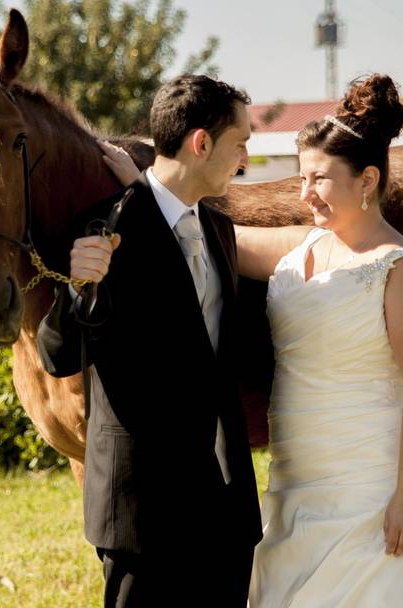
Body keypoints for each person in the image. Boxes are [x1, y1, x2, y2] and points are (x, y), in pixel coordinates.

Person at [98, 74, 403, 607]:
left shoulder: (402, 272)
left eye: (320, 179)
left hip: (369, 488)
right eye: (302, 176)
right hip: (298, 486)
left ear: (368, 181)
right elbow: (192, 232)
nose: (305, 194)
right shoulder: (299, 246)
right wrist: (138, 192)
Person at [37, 74, 262, 607]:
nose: (245, 159)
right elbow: (56, 354)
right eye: (240, 143)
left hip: (226, 506)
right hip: (142, 513)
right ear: (200, 143)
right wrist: (77, 290)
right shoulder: (102, 226)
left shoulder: (219, 229)